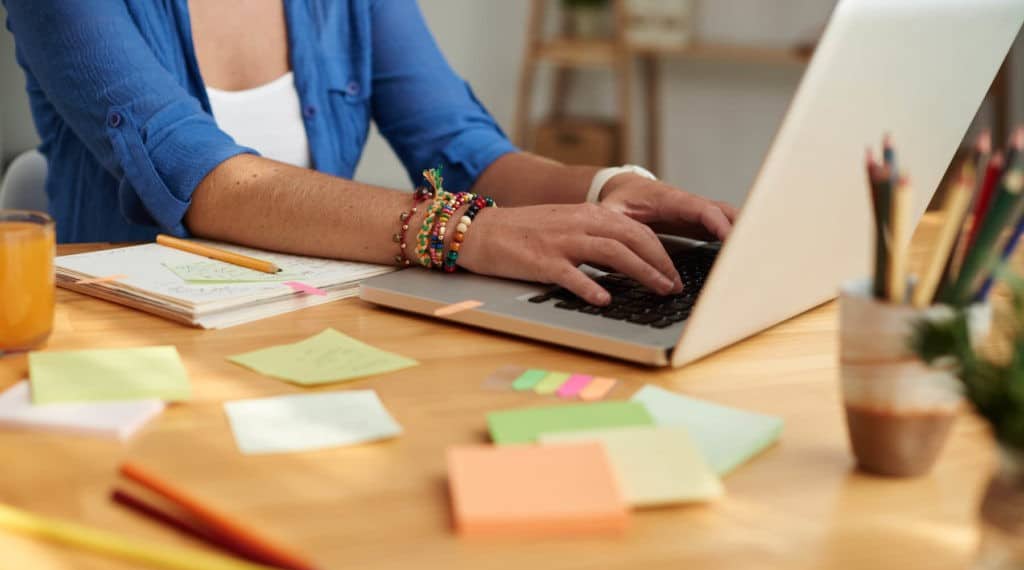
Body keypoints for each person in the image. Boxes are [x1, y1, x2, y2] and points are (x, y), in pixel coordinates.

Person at [4, 0, 736, 306]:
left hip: (300, 334)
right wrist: (464, 231)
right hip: (123, 359)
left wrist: (608, 186)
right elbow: (201, 177)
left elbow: (458, 145)